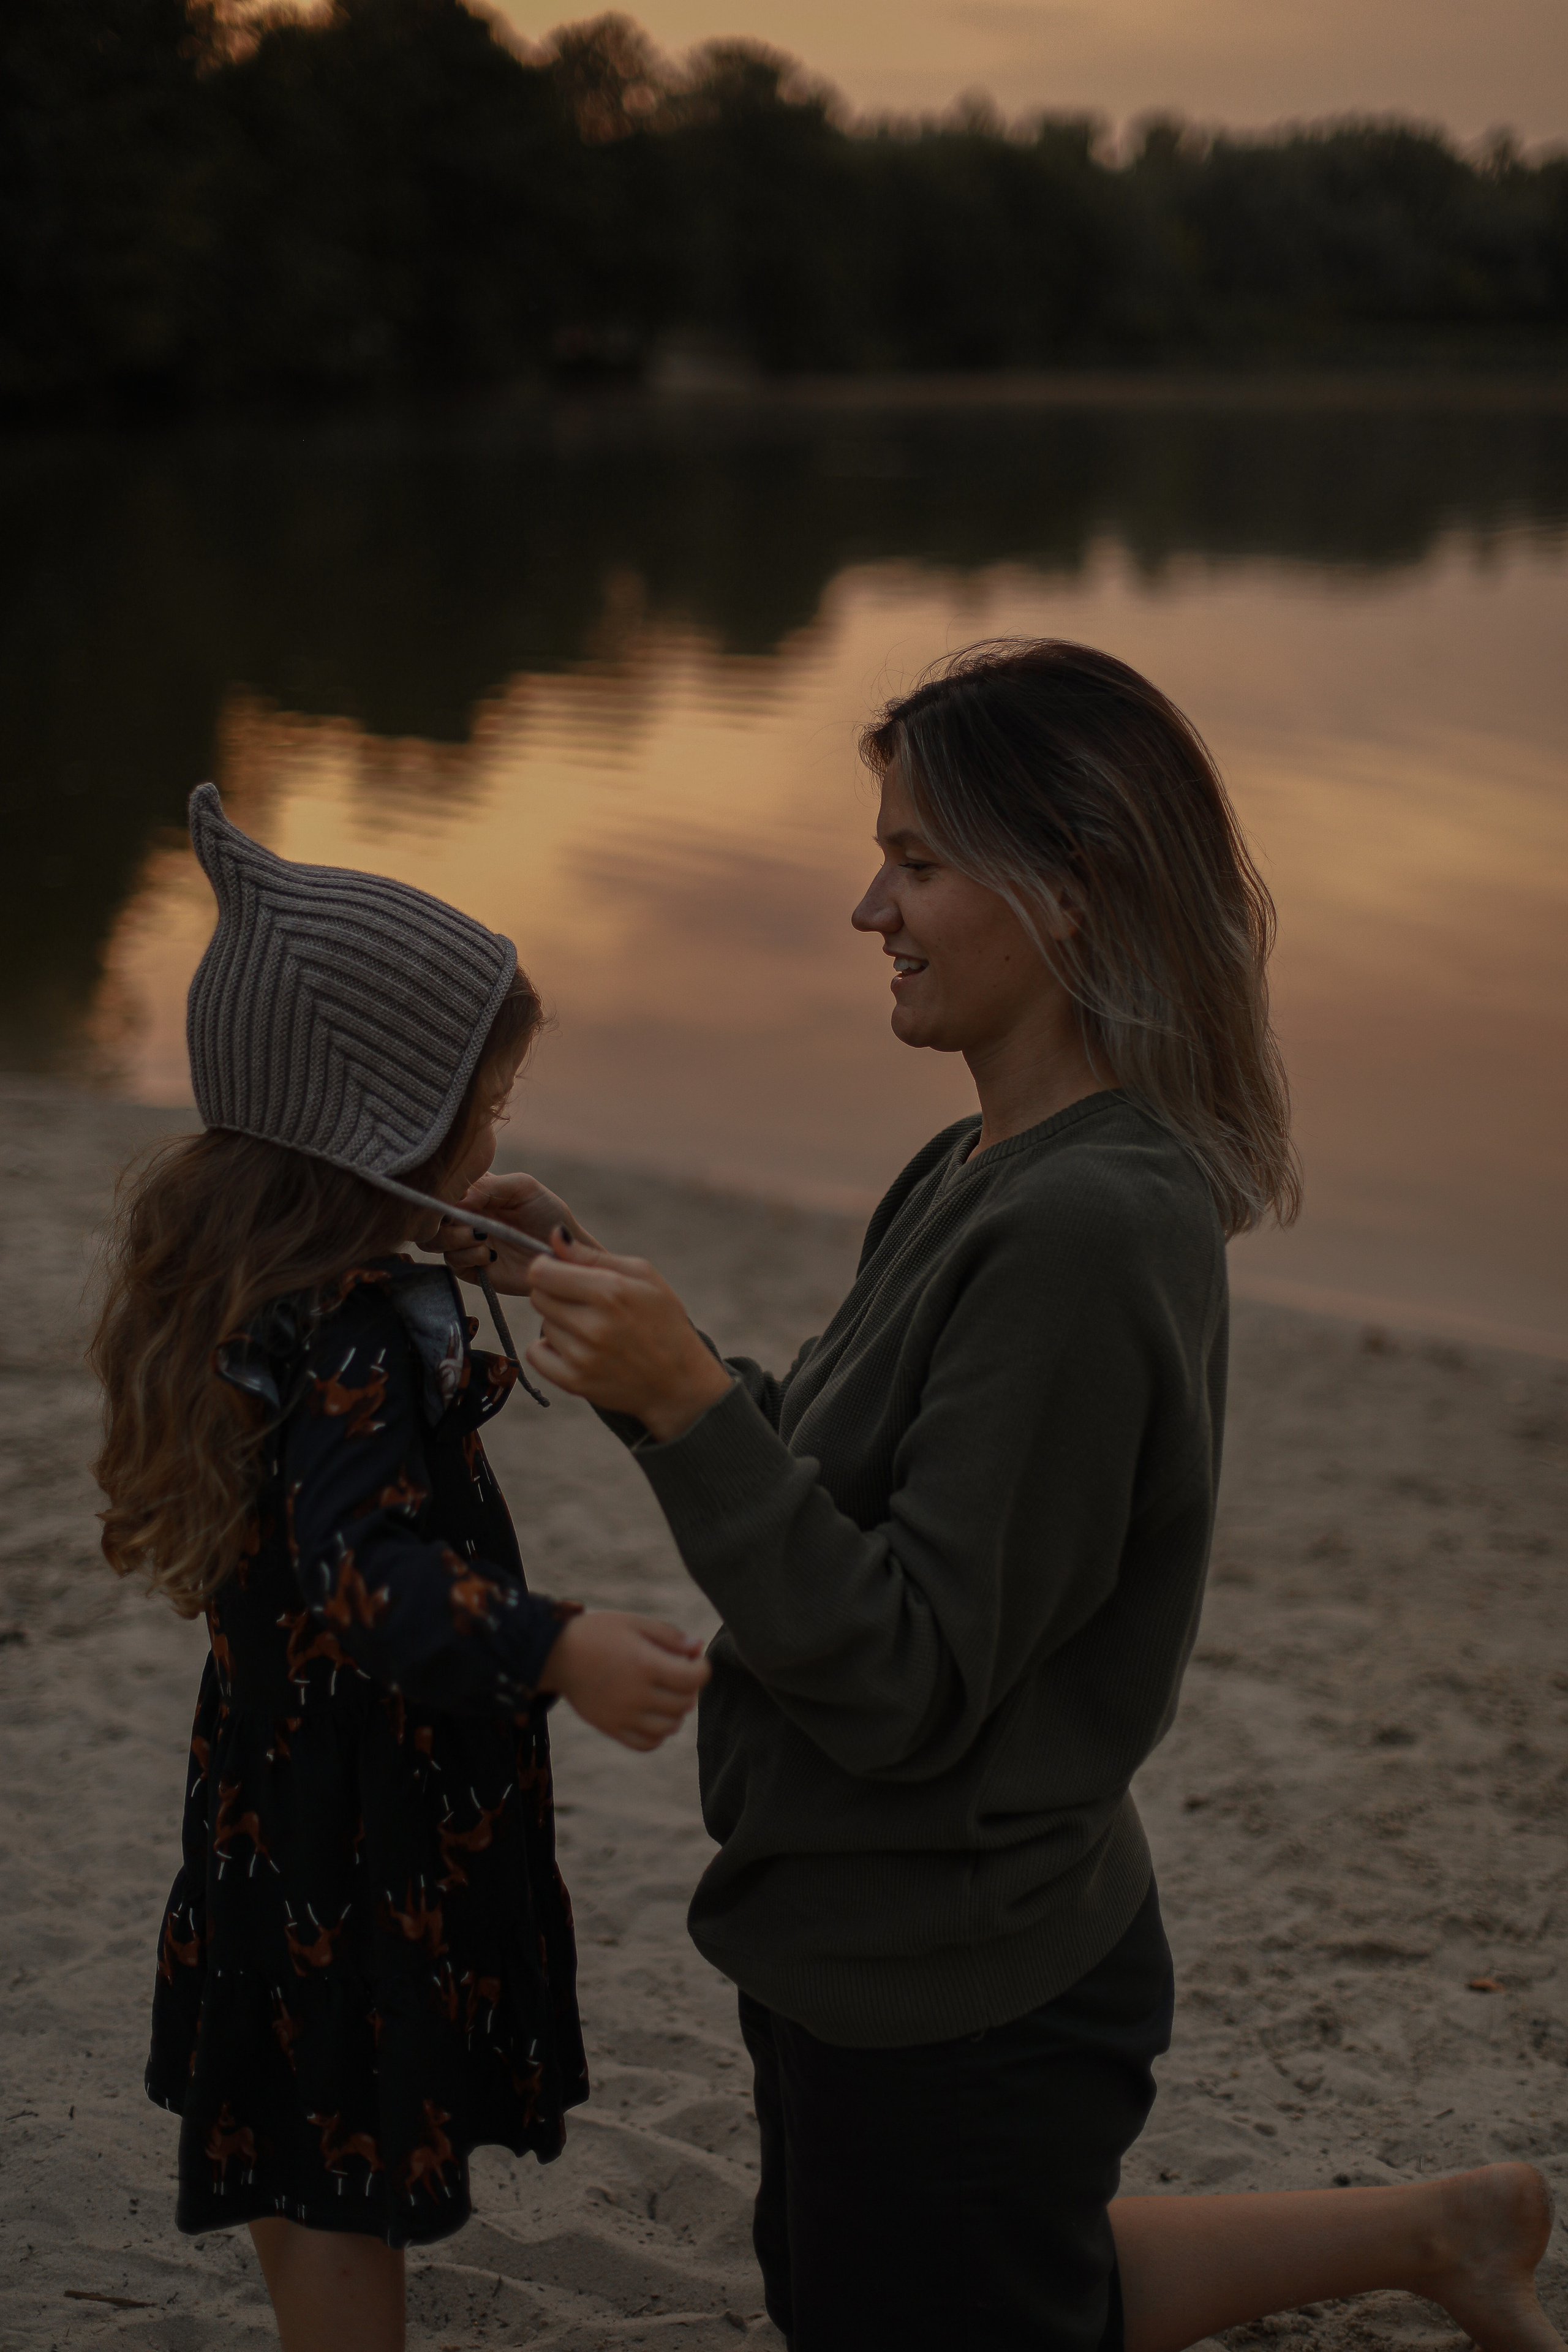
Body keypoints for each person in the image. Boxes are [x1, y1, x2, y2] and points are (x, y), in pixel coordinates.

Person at [441, 642, 1563, 2352]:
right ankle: (1438, 2229)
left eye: (916, 860)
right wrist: (608, 1304)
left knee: (936, 2298)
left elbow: (908, 1675)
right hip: (870, 1926)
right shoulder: (976, 1165)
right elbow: (820, 1486)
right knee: (930, 2291)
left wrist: (680, 1401)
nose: (864, 905)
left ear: (1071, 889)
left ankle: (1439, 2232)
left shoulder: (1090, 1230)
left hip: (962, 1981)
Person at [90, 788, 709, 2352]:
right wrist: (555, 1644)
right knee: (342, 2154)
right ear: (384, 1132)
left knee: (301, 2141)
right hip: (353, 1840)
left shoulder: (277, 1300)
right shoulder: (356, 1338)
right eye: (482, 1104)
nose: (497, 1135)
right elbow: (365, 1582)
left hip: (275, 1812)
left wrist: (480, 1259)